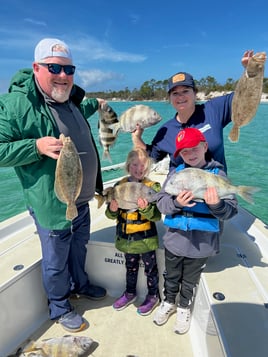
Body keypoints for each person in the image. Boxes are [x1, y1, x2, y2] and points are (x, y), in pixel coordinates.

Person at [0, 38, 107, 332]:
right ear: (36, 67)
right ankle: (59, 306)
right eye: (54, 68)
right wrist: (35, 146)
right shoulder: (15, 105)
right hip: (51, 203)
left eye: (69, 69)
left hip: (81, 198)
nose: (63, 75)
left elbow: (81, 111)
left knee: (78, 248)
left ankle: (80, 285)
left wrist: (98, 105)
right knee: (56, 259)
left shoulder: (69, 99)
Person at [153, 127, 238, 334]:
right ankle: (169, 302)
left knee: (190, 280)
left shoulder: (218, 174)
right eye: (184, 152)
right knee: (171, 276)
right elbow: (161, 203)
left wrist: (217, 204)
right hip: (174, 240)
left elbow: (231, 211)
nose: (190, 154)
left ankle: (183, 308)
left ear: (205, 147)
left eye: (194, 148)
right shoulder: (176, 174)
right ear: (179, 155)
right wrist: (176, 203)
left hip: (202, 245)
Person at [132, 50, 258, 173]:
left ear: (195, 93)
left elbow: (243, 99)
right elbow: (151, 156)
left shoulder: (213, 110)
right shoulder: (166, 131)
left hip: (217, 187)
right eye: (175, 93)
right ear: (169, 98)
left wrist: (250, 74)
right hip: (182, 191)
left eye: (185, 91)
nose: (180, 97)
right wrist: (136, 137)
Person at [105, 148, 161, 316]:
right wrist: (112, 209)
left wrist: (145, 210)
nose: (139, 168)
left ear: (148, 166)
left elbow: (156, 216)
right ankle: (130, 293)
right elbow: (110, 215)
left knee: (150, 269)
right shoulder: (119, 186)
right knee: (130, 268)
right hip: (127, 239)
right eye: (135, 164)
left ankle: (153, 295)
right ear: (128, 166)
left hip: (146, 240)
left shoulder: (152, 188)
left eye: (143, 165)